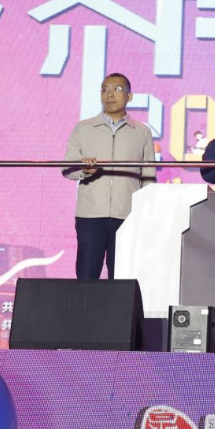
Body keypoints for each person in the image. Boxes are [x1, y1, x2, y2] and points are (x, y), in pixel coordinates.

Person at [63, 73, 157, 280]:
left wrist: (143, 212)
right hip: (90, 214)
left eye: (117, 89)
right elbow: (67, 168)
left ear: (129, 96)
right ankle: (86, 304)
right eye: (105, 89)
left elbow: (148, 175)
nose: (110, 94)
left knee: (122, 279)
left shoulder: (141, 131)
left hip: (127, 215)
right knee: (87, 277)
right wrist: (85, 170)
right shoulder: (84, 128)